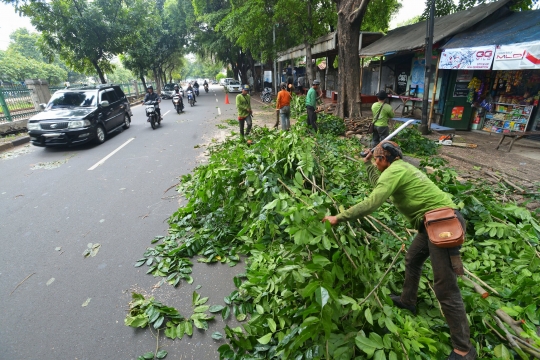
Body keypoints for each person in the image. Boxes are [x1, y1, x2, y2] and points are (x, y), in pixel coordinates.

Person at [322, 141, 476, 360]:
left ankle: (464, 349)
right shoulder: (398, 168)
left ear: (384, 159)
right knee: (412, 259)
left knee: (445, 287)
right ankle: (408, 301)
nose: (375, 164)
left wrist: (339, 217)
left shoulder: (395, 171)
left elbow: (373, 201)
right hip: (430, 224)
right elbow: (379, 186)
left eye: (376, 160)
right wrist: (367, 165)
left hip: (443, 224)